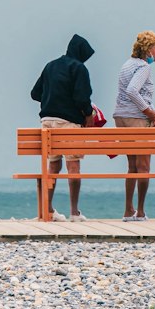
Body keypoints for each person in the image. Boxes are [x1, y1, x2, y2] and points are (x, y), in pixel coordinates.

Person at [30, 34, 95, 221]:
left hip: (47, 122)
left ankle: (48, 210)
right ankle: (74, 212)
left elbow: (35, 93)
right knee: (73, 166)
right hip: (68, 123)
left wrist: (53, 99)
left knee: (53, 165)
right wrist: (89, 114)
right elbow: (82, 98)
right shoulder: (79, 68)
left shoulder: (50, 66)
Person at [114, 31, 155, 222]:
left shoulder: (127, 65)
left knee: (132, 166)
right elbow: (133, 91)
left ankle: (128, 209)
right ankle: (141, 212)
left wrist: (151, 110)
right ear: (148, 49)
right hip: (136, 119)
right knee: (143, 166)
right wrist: (148, 112)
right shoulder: (143, 67)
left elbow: (132, 93)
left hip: (121, 117)